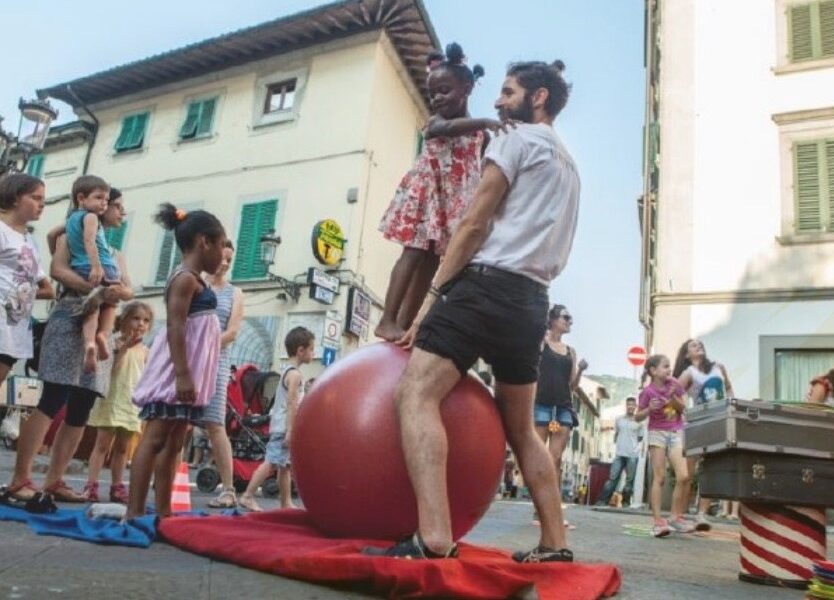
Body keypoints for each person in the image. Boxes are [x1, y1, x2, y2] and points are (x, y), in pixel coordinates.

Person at [366, 59, 579, 562]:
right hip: (531, 302)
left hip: (482, 289)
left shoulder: (514, 139)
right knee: (522, 429)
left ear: (539, 97)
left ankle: (434, 537)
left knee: (414, 392)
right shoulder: (569, 164)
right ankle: (555, 543)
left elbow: (473, 223)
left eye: (508, 92)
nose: (499, 102)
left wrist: (432, 298)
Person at [3, 183, 134, 510]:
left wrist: (114, 294)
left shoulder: (115, 254)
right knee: (52, 397)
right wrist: (95, 291)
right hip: (69, 316)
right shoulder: (70, 235)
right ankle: (21, 477)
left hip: (100, 323)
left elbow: (129, 290)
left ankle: (55, 480)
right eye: (117, 206)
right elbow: (58, 271)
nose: (120, 212)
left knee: (82, 405)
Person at [375, 42, 502, 342]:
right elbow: (442, 131)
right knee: (414, 251)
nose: (436, 98)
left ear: (467, 87)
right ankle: (387, 318)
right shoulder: (440, 122)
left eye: (444, 90)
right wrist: (483, 121)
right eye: (433, 93)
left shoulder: (480, 137)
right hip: (428, 194)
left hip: (451, 204)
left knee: (432, 262)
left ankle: (406, 322)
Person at [126, 204, 225, 520]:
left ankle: (165, 511)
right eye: (221, 245)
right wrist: (182, 374)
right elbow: (175, 326)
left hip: (187, 379)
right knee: (155, 438)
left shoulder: (196, 279)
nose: (223, 254)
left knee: (174, 442)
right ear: (203, 242)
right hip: (175, 377)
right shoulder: (184, 279)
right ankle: (135, 511)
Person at [238, 326, 315, 512]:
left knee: (284, 466)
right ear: (300, 350)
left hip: (281, 425)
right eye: (312, 349)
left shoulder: (288, 371)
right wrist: (290, 430)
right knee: (272, 461)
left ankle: (285, 502)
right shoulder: (295, 375)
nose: (314, 353)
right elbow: (292, 404)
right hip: (284, 427)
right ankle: (248, 496)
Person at [83, 301, 153, 503]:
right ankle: (92, 484)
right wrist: (124, 348)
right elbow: (111, 371)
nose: (141, 324)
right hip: (112, 399)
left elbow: (146, 378)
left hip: (131, 404)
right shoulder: (113, 342)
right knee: (102, 445)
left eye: (146, 320)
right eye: (136, 318)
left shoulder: (146, 351)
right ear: (124, 320)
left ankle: (116, 486)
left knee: (123, 448)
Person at [200, 240, 244, 509]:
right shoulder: (196, 283)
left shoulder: (235, 293)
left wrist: (202, 344)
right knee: (177, 423)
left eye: (230, 259)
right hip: (190, 361)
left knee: (215, 424)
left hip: (216, 361)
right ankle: (166, 480)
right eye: (222, 257)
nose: (226, 263)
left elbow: (233, 332)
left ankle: (229, 490)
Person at [673, 338, 734, 531]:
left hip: (719, 421)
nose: (698, 346)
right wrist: (685, 410)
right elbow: (672, 393)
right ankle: (680, 516)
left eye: (700, 344)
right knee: (688, 473)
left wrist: (732, 406)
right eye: (693, 345)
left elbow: (729, 388)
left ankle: (701, 515)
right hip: (697, 423)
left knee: (711, 469)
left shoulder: (719, 367)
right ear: (686, 354)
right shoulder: (688, 372)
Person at [533, 304, 587, 520]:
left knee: (555, 458)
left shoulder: (570, 352)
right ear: (553, 320)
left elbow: (572, 386)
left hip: (564, 407)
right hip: (541, 405)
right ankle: (540, 506)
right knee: (541, 457)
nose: (570, 321)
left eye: (570, 318)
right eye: (566, 317)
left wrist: (581, 370)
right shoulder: (541, 344)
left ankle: (552, 508)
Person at [0, 174, 55, 386]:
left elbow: (48, 289)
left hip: (16, 328)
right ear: (15, 198)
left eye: (43, 199)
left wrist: (21, 293)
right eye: (35, 197)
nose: (41, 204)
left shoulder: (30, 241)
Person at [63, 176, 121, 373]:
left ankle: (89, 343)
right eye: (99, 198)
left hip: (79, 267)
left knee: (92, 307)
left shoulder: (70, 219)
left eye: (106, 199)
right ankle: (103, 335)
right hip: (102, 266)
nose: (104, 202)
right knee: (111, 304)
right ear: (81, 198)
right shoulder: (91, 217)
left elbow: (55, 235)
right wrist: (96, 266)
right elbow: (90, 241)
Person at [636, 354, 694, 537]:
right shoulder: (647, 392)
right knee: (659, 477)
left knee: (683, 476)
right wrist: (649, 410)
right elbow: (637, 416)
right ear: (653, 371)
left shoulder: (674, 384)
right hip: (657, 433)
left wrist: (672, 398)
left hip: (675, 431)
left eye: (669, 366)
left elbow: (683, 408)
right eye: (665, 366)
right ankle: (658, 521)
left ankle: (675, 517)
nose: (669, 370)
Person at [597, 396, 642, 507]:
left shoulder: (639, 421)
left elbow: (640, 438)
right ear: (626, 406)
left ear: (635, 406)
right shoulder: (619, 420)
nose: (630, 406)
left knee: (629, 480)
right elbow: (616, 435)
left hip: (632, 454)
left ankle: (626, 502)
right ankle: (603, 501)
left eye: (633, 405)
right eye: (628, 404)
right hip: (619, 453)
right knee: (612, 478)